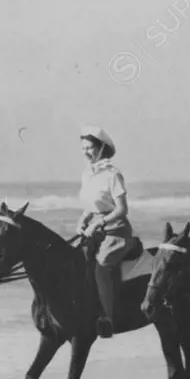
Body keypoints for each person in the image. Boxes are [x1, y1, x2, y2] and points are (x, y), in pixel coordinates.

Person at [76, 125, 134, 338]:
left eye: (90, 148)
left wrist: (98, 223)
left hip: (116, 233)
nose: (86, 152)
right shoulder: (87, 175)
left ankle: (107, 319)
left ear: (102, 148)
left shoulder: (112, 174)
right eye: (83, 148)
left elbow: (121, 209)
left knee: (101, 268)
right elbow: (92, 205)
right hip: (95, 231)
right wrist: (83, 220)